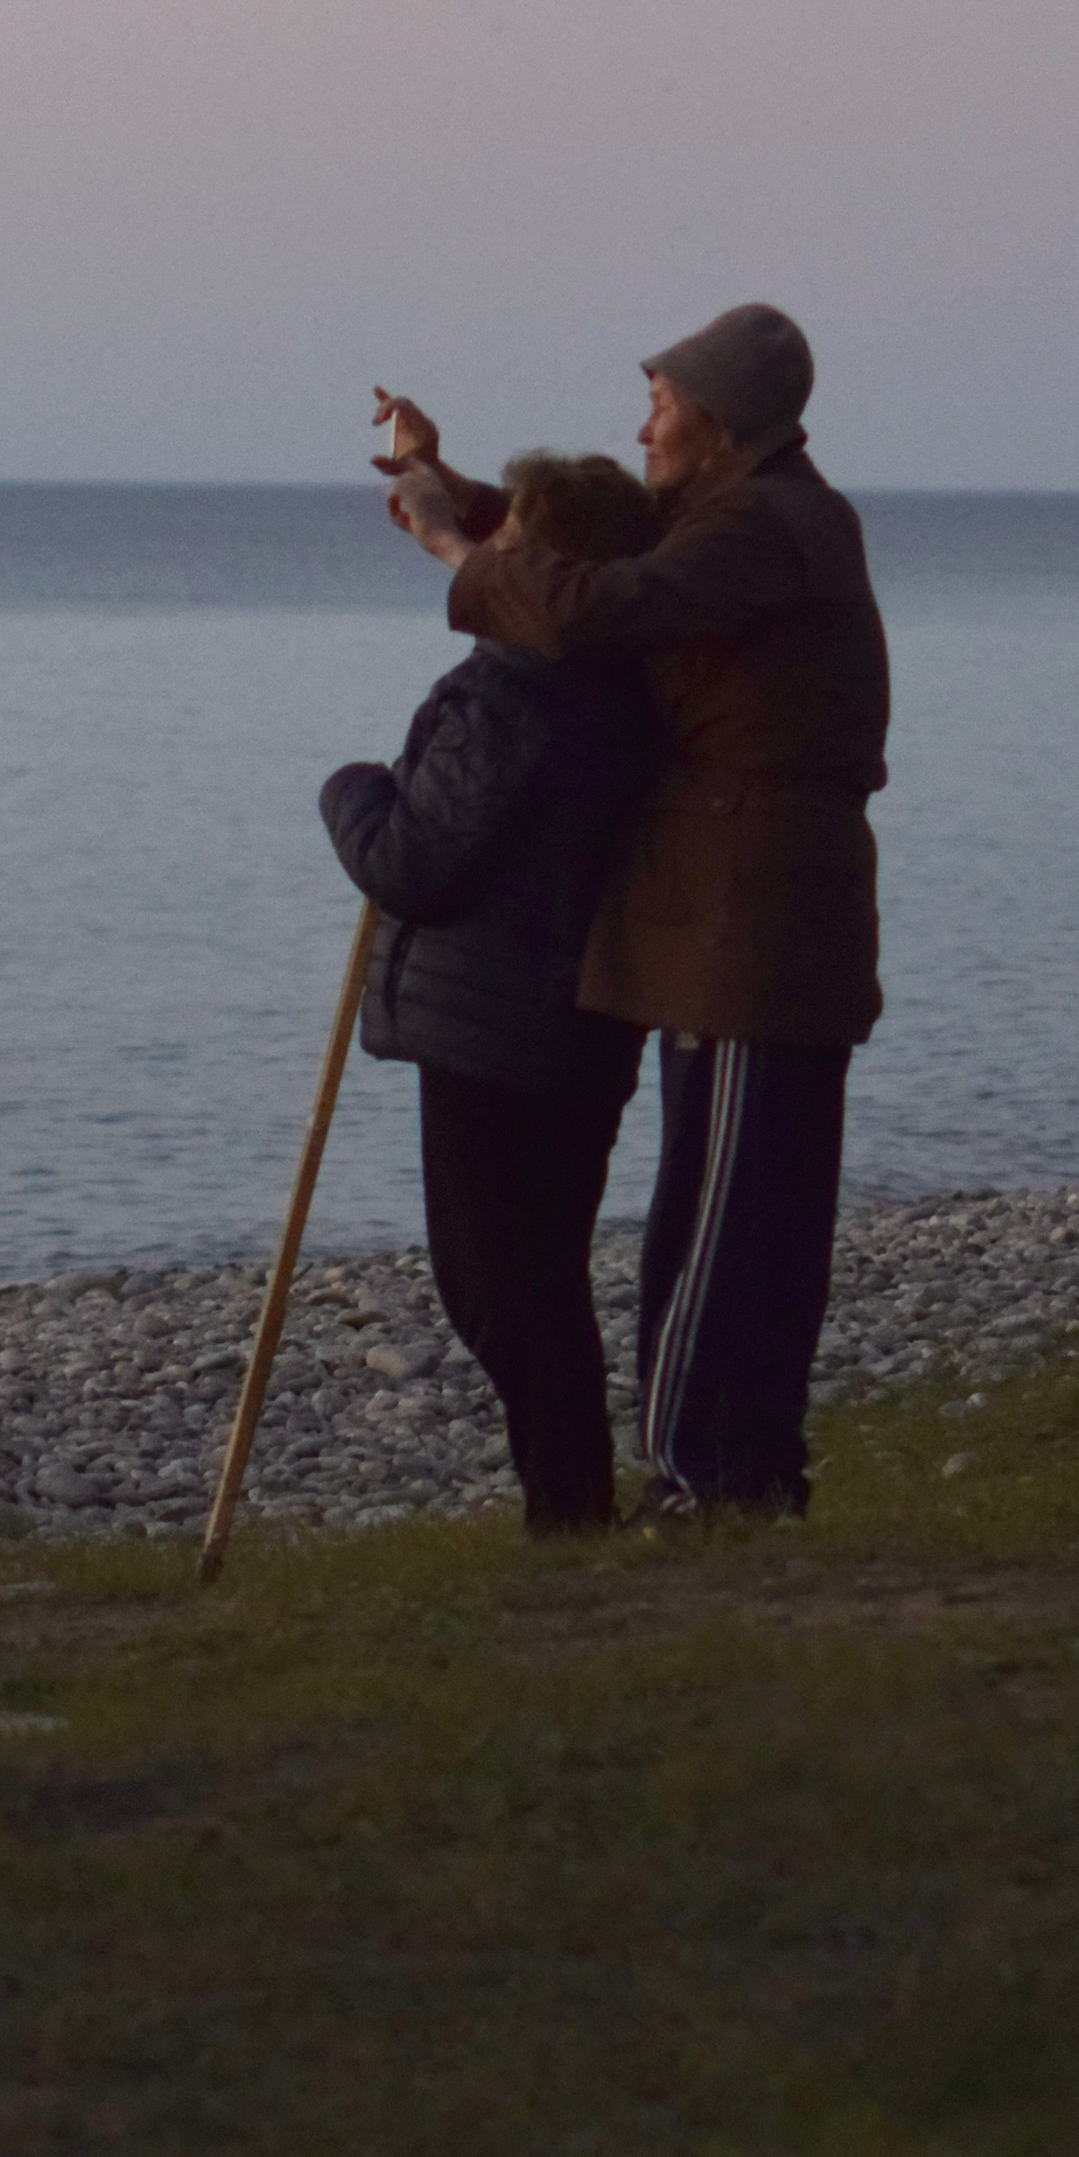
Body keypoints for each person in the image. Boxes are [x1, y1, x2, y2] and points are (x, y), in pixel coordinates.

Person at [373, 304, 889, 1520]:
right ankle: (730, 1471)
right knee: (731, 1202)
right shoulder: (736, 514)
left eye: (660, 402)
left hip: (749, 916)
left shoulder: (769, 523)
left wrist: (458, 553)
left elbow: (601, 606)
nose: (642, 424)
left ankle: (711, 1477)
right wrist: (441, 483)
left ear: (717, 417)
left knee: (727, 1215)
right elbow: (596, 559)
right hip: (725, 915)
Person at [318, 453, 665, 1535]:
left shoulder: (512, 692)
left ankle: (569, 1512)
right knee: (539, 1274)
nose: (492, 550)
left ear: (542, 564)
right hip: (572, 1019)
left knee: (497, 1285)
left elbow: (415, 864)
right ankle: (570, 1509)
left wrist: (352, 792)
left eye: (508, 536)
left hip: (494, 1027)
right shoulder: (621, 678)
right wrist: (439, 483)